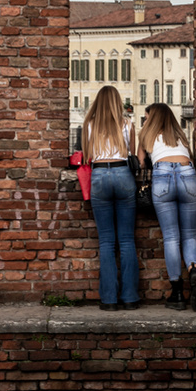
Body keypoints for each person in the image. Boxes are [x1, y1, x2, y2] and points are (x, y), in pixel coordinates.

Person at [140, 102, 196, 311]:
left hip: (162, 176)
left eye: (147, 117)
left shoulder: (146, 136)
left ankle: (177, 293)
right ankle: (194, 269)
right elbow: (190, 158)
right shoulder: (181, 136)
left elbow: (140, 164)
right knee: (190, 235)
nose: (145, 120)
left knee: (171, 237)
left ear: (153, 118)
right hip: (187, 174)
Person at [81, 85, 139, 310]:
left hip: (99, 175)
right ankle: (131, 298)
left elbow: (87, 155)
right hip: (123, 174)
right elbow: (132, 154)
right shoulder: (127, 124)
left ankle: (109, 300)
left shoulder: (89, 125)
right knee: (126, 240)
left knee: (106, 241)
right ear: (117, 102)